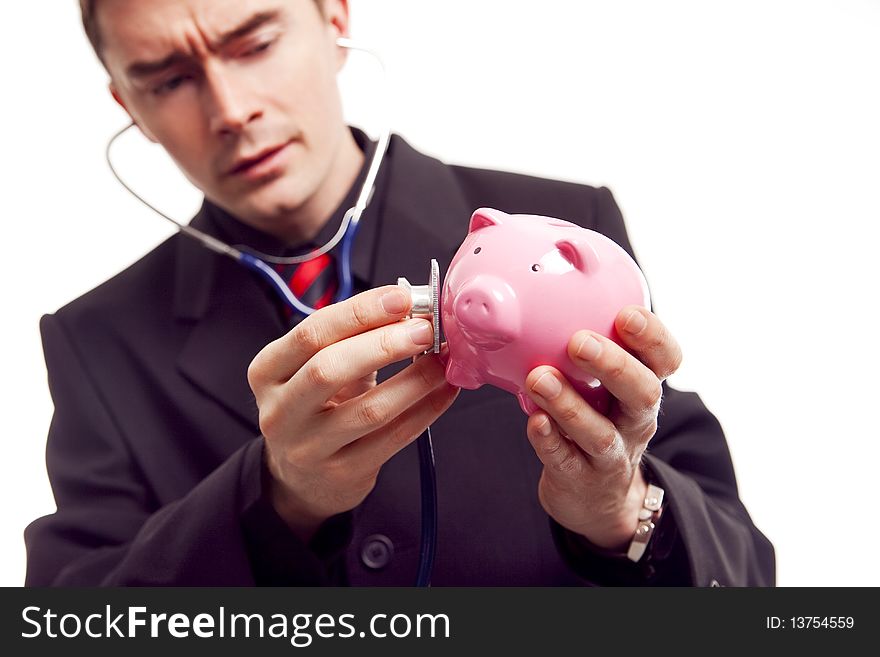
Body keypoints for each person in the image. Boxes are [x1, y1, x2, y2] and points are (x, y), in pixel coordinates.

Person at [24, 0, 774, 586]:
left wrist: (619, 511)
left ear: (334, 22)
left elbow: (747, 583)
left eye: (254, 43)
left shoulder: (567, 228)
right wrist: (276, 497)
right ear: (130, 107)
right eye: (168, 79)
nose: (231, 110)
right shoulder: (97, 340)